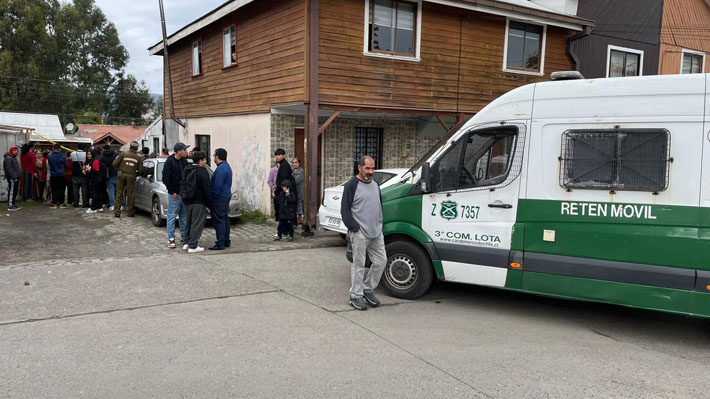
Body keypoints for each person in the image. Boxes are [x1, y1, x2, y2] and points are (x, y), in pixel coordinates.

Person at [341, 155, 387, 311]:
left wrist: (380, 223)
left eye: (373, 168)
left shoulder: (375, 184)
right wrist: (354, 228)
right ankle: (355, 296)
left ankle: (367, 289)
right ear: (359, 168)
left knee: (381, 262)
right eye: (367, 168)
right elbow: (345, 210)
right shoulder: (351, 185)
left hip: (376, 232)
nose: (371, 171)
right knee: (359, 265)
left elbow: (378, 204)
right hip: (360, 233)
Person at [181, 151, 212, 253]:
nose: (205, 161)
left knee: (188, 222)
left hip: (187, 200)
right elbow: (207, 190)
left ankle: (186, 242)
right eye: (204, 160)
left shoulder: (187, 169)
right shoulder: (202, 172)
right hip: (199, 201)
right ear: (200, 161)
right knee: (197, 223)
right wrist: (209, 204)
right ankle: (193, 246)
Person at [162, 142, 189, 249]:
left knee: (183, 216)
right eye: (184, 150)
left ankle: (184, 237)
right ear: (178, 151)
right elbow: (165, 178)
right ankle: (171, 238)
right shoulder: (170, 161)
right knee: (172, 216)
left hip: (184, 193)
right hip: (175, 194)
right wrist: (171, 191)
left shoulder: (184, 161)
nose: (186, 151)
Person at [209, 148, 232, 250]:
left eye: (214, 155)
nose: (214, 157)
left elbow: (217, 186)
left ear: (217, 156)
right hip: (225, 196)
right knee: (224, 219)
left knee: (219, 220)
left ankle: (220, 242)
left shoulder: (221, 169)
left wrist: (212, 199)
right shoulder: (226, 166)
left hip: (220, 198)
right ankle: (226, 240)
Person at [112, 141, 143, 218]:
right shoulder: (139, 157)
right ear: (136, 148)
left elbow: (114, 164)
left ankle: (117, 212)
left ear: (130, 147)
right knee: (130, 194)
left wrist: (119, 170)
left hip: (121, 174)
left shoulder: (123, 154)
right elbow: (141, 170)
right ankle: (130, 212)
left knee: (119, 193)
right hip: (131, 176)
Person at [273, 149, 292, 237]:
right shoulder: (282, 165)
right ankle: (284, 231)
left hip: (283, 193)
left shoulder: (284, 166)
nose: (277, 156)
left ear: (283, 156)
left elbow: (283, 182)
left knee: (282, 214)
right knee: (282, 214)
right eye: (276, 155)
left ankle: (282, 232)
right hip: (281, 192)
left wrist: (276, 192)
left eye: (279, 155)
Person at [47, 144, 67, 209]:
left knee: (54, 189)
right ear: (60, 149)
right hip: (61, 175)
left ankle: (54, 203)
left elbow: (49, 165)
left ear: (53, 148)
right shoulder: (63, 156)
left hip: (53, 175)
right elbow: (65, 165)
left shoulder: (49, 156)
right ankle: (61, 203)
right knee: (62, 189)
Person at [3, 145, 21, 211]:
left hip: (15, 177)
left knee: (15, 191)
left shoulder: (13, 157)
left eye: (17, 150)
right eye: (14, 150)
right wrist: (14, 177)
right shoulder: (8, 158)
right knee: (12, 191)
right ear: (11, 151)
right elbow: (9, 169)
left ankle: (13, 204)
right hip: (12, 178)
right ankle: (10, 206)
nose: (16, 152)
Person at [101, 145, 119, 210]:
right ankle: (120, 205)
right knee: (119, 191)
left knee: (111, 190)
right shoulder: (115, 155)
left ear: (103, 149)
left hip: (108, 175)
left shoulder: (102, 156)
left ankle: (112, 205)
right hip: (116, 174)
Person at [291, 158, 305, 227]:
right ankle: (297, 219)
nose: (294, 164)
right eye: (293, 162)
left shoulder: (301, 171)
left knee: (299, 203)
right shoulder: (293, 171)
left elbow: (295, 181)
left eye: (296, 162)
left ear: (299, 163)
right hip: (294, 191)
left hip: (299, 190)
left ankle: (300, 219)